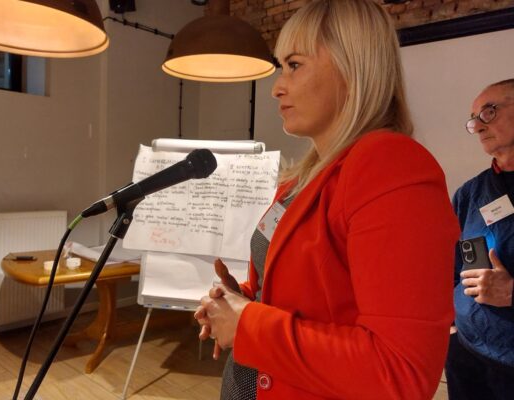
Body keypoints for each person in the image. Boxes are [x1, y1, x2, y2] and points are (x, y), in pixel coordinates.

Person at [194, 0, 460, 399]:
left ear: (352, 69)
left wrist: (248, 323)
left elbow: (398, 373)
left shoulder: (391, 166)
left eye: (294, 65)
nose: (277, 88)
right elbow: (316, 294)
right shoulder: (304, 176)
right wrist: (241, 300)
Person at [446, 79, 514, 399]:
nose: (478, 126)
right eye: (474, 119)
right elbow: (450, 267)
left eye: (489, 112)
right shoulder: (471, 194)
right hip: (468, 354)